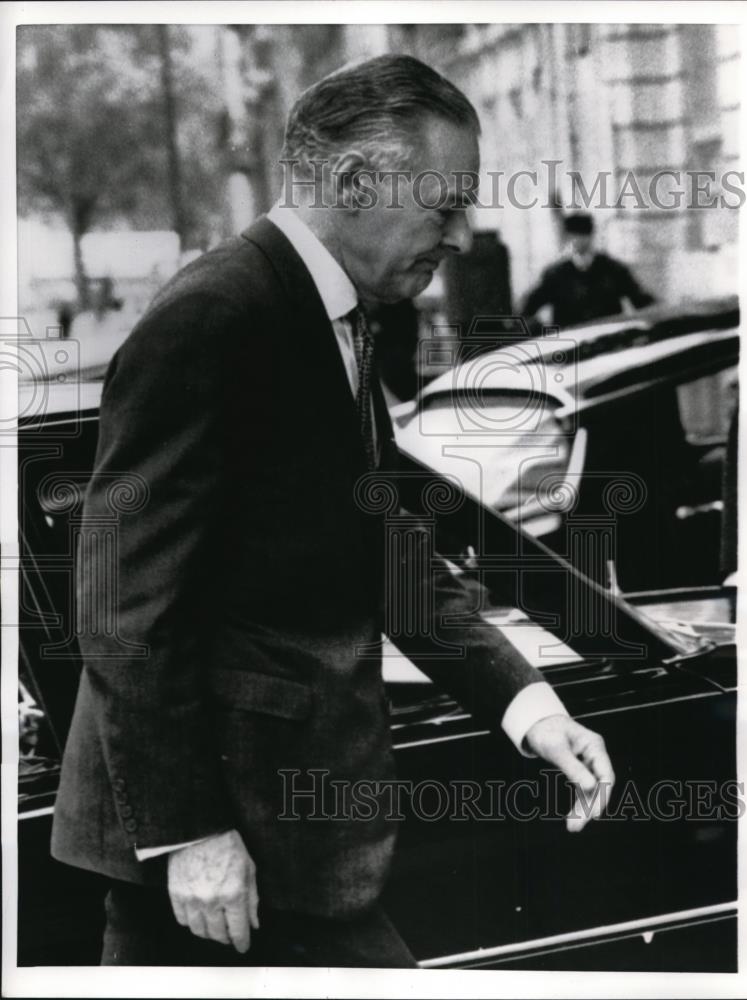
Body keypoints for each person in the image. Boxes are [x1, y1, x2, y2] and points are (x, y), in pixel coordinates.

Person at [51, 55, 615, 968]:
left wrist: (527, 707)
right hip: (216, 854)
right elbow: (123, 601)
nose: (464, 236)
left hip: (276, 840)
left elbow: (388, 549)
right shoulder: (213, 316)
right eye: (446, 203)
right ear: (355, 180)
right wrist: (188, 833)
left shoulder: (330, 315)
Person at [521, 211, 655, 329]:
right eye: (573, 235)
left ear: (591, 236)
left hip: (608, 343)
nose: (577, 240)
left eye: (582, 234)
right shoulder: (555, 275)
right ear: (567, 238)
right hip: (570, 347)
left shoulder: (613, 270)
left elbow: (642, 301)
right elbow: (528, 307)